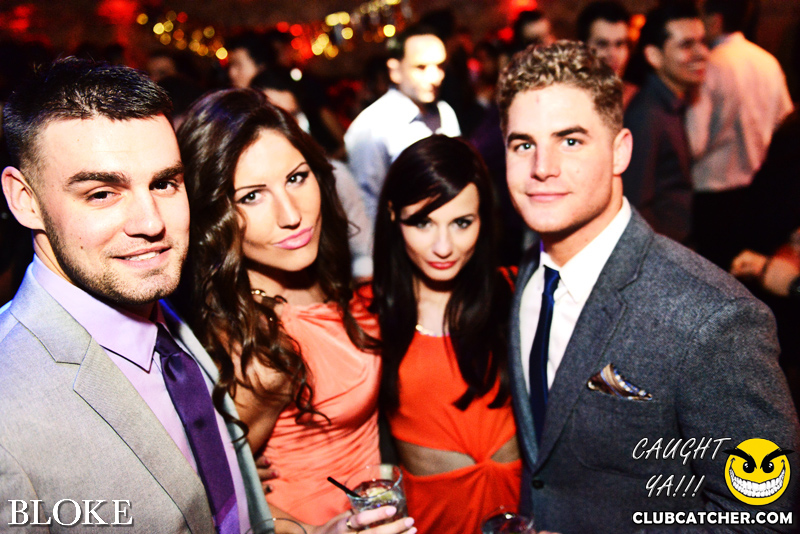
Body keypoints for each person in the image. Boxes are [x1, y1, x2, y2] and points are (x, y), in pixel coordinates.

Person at [497, 41, 799, 533]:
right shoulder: (528, 280)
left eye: (570, 141)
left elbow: (764, 518)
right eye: (523, 144)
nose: (542, 167)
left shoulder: (712, 319)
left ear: (620, 151)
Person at [0, 57, 270, 533]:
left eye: (164, 184)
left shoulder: (167, 319)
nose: (151, 223)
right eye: (102, 193)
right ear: (26, 199)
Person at [175, 88, 415, 534]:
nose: (291, 214)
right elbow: (216, 500)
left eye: (296, 178)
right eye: (252, 196)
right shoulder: (258, 350)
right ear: (215, 215)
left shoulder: (318, 273)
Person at [369, 135, 521, 533]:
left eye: (462, 223)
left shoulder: (518, 292)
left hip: (520, 510)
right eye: (423, 223)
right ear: (393, 215)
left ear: (483, 219)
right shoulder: (366, 311)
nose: (443, 246)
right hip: (432, 518)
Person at [685, 0, 794, 269]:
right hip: (758, 191)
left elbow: (695, 142)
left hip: (713, 192)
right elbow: (785, 121)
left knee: (711, 274)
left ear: (715, 21)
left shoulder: (710, 65)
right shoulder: (767, 61)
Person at [344, 24, 460, 223]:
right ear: (395, 71)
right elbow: (367, 206)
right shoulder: (371, 127)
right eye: (421, 67)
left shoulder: (444, 112)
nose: (434, 77)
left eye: (440, 66)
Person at [622, 2, 708, 244]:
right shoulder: (647, 115)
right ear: (654, 56)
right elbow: (634, 205)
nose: (702, 53)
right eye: (686, 45)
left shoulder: (671, 104)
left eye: (702, 42)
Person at [576, 0, 637, 107]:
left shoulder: (637, 99)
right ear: (582, 47)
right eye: (602, 44)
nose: (613, 54)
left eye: (619, 44)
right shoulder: (570, 98)